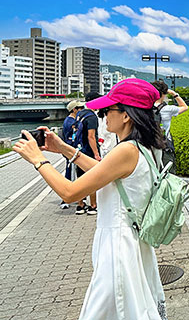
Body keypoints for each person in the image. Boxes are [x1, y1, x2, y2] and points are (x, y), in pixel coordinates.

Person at [13, 78, 168, 319]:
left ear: (126, 115)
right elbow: (103, 171)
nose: (104, 115)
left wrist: (37, 160)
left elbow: (70, 192)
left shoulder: (125, 150)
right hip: (133, 242)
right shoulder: (142, 146)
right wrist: (64, 148)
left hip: (118, 245)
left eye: (108, 109)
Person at [72, 93, 102, 215]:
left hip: (79, 150)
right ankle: (93, 205)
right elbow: (91, 137)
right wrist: (96, 154)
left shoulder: (80, 114)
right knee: (92, 178)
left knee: (80, 178)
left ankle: (80, 205)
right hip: (89, 151)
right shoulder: (92, 117)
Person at [60, 100, 84, 209]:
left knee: (72, 172)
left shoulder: (72, 120)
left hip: (71, 149)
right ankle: (66, 198)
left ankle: (70, 197)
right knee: (70, 173)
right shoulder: (70, 122)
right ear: (74, 109)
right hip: (71, 149)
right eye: (80, 108)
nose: (82, 110)